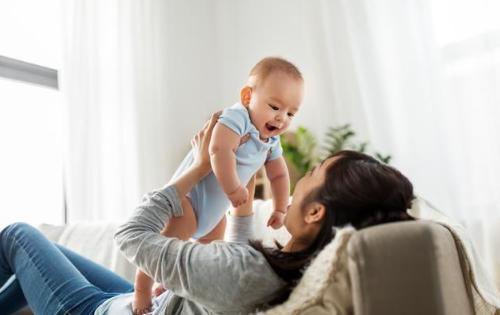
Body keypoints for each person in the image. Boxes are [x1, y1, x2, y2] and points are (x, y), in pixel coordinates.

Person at [0, 112, 418, 315]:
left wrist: (196, 168)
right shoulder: (288, 274)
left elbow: (131, 236)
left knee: (16, 235)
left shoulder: (249, 271)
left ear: (315, 213)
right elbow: (226, 283)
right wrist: (239, 210)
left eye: (310, 174)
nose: (297, 178)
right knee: (32, 266)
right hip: (137, 303)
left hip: (100, 312)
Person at [133, 57, 304, 313]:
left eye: (291, 113)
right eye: (275, 107)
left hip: (215, 213)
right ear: (248, 96)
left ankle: (171, 286)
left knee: (208, 256)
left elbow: (278, 175)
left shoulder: (270, 141)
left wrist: (280, 207)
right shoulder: (236, 117)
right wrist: (235, 188)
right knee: (163, 248)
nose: (282, 119)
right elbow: (218, 150)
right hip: (190, 200)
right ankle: (141, 289)